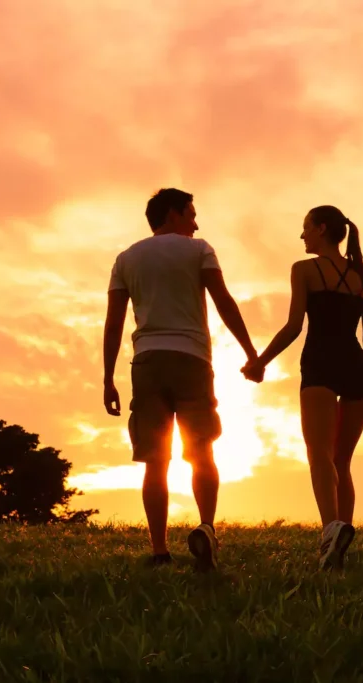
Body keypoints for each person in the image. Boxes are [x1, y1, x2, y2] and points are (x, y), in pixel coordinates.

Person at [102, 188, 260, 571]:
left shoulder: (126, 258)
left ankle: (159, 550)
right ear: (172, 214)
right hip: (191, 360)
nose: (196, 222)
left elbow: (114, 321)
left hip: (147, 363)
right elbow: (222, 299)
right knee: (202, 450)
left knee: (155, 461)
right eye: (191, 213)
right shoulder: (199, 249)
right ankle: (206, 528)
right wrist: (250, 352)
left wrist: (108, 378)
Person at [242, 205, 363, 570]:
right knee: (341, 461)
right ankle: (340, 538)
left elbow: (293, 327)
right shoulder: (362, 277)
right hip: (357, 367)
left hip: (320, 362)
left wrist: (259, 362)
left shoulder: (304, 270)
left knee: (318, 453)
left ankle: (330, 533)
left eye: (305, 229)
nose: (302, 236)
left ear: (320, 229)